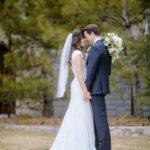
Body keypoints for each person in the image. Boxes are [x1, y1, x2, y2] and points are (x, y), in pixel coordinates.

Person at [49, 30, 96, 150]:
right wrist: (85, 91)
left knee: (80, 113)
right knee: (81, 114)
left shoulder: (76, 53)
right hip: (80, 87)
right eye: (83, 38)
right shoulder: (77, 55)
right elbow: (79, 74)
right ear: (78, 40)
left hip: (78, 86)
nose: (85, 40)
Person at [82, 24, 112, 150]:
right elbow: (108, 70)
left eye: (87, 36)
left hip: (95, 89)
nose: (87, 39)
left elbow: (91, 71)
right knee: (99, 119)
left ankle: (104, 148)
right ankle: (99, 146)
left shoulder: (96, 48)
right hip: (101, 87)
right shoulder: (105, 46)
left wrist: (86, 89)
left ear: (92, 33)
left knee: (100, 121)